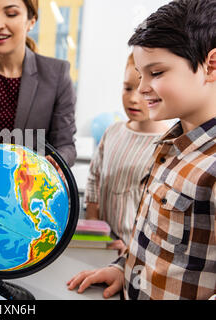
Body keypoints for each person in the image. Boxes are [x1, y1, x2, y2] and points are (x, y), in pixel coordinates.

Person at [68, 0, 216, 300]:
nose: (143, 87)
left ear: (210, 66)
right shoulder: (169, 148)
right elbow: (155, 244)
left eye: (156, 73)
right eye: (139, 74)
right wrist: (123, 268)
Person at [0, 0, 77, 167]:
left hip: (35, 184)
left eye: (11, 14)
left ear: (31, 21)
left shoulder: (57, 74)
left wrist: (54, 163)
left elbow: (66, 146)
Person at [85, 53, 169, 254]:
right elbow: (94, 181)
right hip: (102, 245)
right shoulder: (112, 132)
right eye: (128, 88)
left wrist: (132, 251)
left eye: (143, 92)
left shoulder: (168, 146)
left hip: (136, 252)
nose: (133, 99)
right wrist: (95, 230)